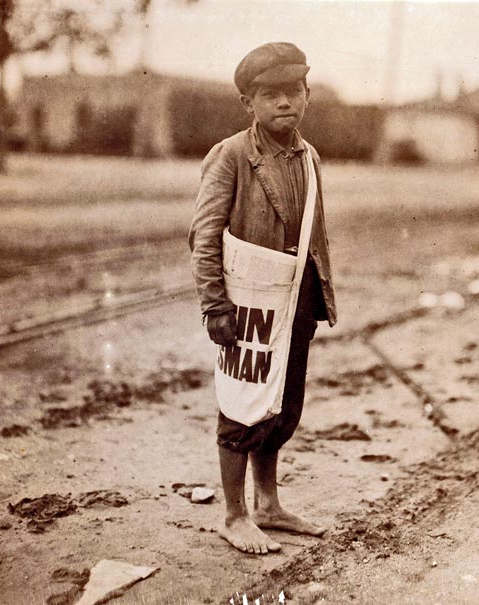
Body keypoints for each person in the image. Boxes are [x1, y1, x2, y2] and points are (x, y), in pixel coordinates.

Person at [188, 42, 337, 555]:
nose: (284, 104)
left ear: (307, 95)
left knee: (280, 407)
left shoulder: (309, 155)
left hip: (296, 301)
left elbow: (314, 235)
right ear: (247, 103)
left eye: (293, 92)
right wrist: (215, 305)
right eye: (269, 95)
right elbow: (204, 236)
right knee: (242, 404)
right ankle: (233, 515)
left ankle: (268, 504)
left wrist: (319, 299)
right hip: (247, 303)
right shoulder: (231, 155)